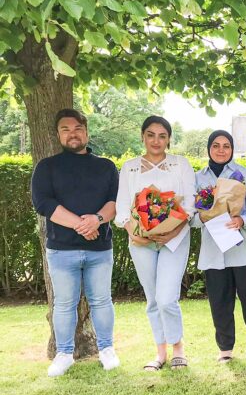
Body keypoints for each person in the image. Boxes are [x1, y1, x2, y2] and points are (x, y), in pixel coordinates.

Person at [32, 108, 120, 377]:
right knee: (64, 303)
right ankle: (64, 354)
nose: (73, 134)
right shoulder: (46, 167)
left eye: (78, 128)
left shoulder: (105, 166)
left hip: (99, 249)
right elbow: (44, 204)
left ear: (86, 132)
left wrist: (96, 219)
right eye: (66, 129)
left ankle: (107, 350)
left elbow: (115, 203)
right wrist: (83, 225)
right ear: (58, 134)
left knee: (102, 300)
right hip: (61, 250)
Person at [115, 116, 196, 371]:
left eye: (162, 136)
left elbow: (190, 205)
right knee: (152, 298)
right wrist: (132, 232)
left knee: (166, 297)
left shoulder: (180, 164)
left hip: (175, 240)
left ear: (169, 139)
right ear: (143, 137)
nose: (156, 141)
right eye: (151, 135)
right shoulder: (129, 168)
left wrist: (174, 231)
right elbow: (122, 207)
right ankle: (160, 353)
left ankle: (178, 348)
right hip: (140, 242)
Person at [194, 130, 246, 363]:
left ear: (232, 149)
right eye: (216, 145)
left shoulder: (244, 175)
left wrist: (242, 220)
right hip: (214, 253)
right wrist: (202, 217)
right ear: (209, 148)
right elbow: (189, 215)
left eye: (226, 145)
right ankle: (225, 348)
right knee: (219, 302)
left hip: (244, 251)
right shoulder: (197, 179)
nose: (221, 150)